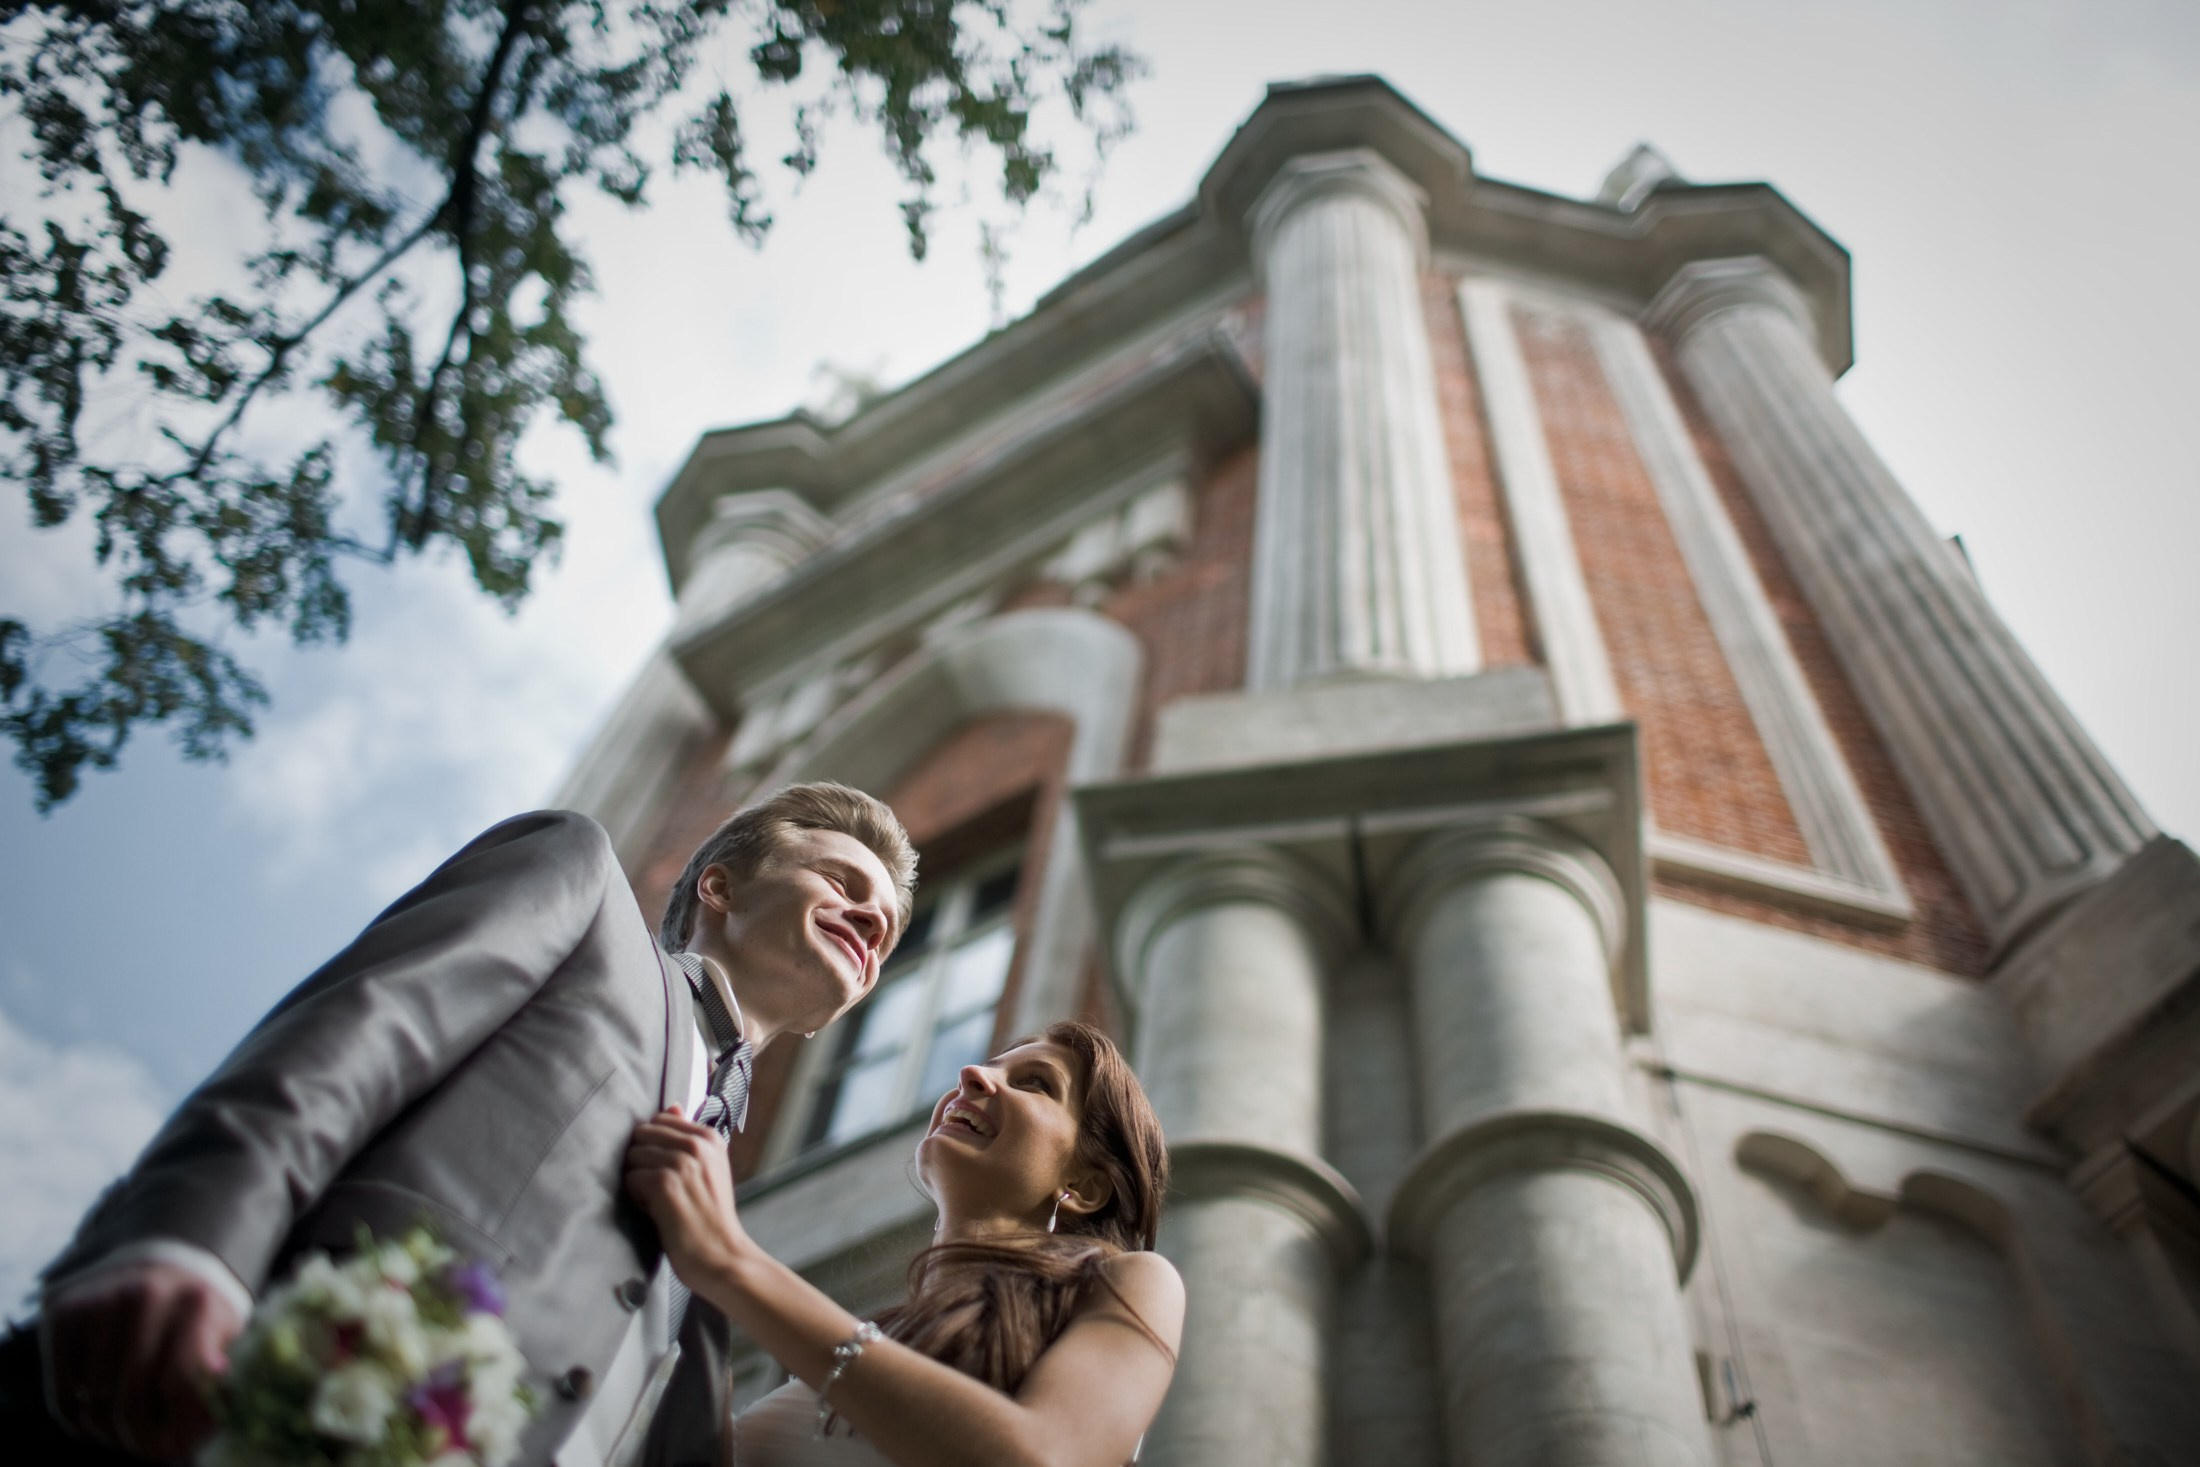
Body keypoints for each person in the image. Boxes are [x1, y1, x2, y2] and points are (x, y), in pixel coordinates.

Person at [1, 783, 916, 1467]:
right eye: (843, 878)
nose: (874, 918)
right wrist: (192, 1236)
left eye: (888, 927)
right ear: (719, 885)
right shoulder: (587, 891)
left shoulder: (721, 1230)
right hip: (216, 1397)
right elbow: (363, 1027)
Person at [623, 1019, 1183, 1467]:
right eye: (989, 1066)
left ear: (1084, 1186)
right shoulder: (886, 1339)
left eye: (1035, 1082)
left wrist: (730, 1262)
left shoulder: (1133, 1281)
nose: (971, 1074)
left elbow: (1047, 1456)